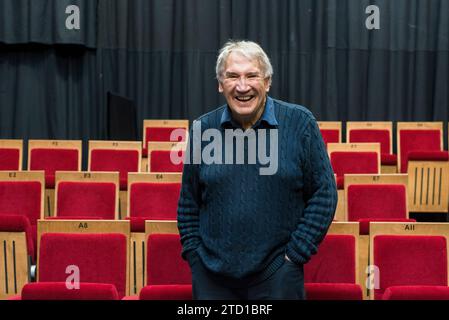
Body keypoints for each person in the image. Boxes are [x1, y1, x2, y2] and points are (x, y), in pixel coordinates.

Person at [177, 40, 337, 300]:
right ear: (220, 84)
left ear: (267, 81)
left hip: (278, 277)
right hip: (212, 281)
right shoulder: (202, 129)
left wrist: (294, 257)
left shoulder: (300, 123)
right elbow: (188, 205)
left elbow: (324, 195)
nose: (242, 86)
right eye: (232, 76)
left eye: (252, 75)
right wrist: (195, 258)